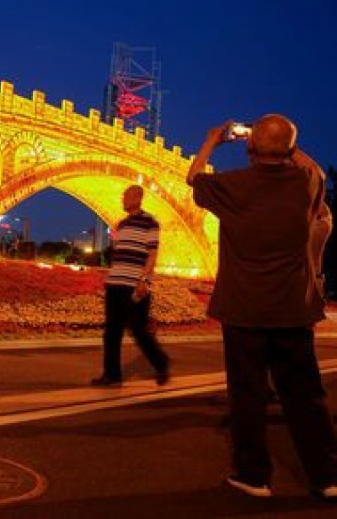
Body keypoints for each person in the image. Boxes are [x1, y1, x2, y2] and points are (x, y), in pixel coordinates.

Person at [187, 114, 337, 500]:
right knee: (306, 395)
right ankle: (326, 475)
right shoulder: (306, 184)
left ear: (250, 149)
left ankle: (254, 476)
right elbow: (315, 167)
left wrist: (212, 141)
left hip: (244, 310)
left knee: (248, 394)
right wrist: (276, 140)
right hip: (293, 309)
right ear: (290, 150)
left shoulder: (232, 186)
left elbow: (193, 178)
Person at [90, 184, 170, 387]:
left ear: (138, 197)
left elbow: (152, 254)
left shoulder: (150, 223)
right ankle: (112, 374)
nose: (123, 199)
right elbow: (120, 254)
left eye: (126, 196)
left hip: (135, 286)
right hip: (115, 284)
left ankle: (161, 363)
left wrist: (144, 281)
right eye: (122, 196)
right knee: (112, 332)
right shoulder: (121, 225)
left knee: (138, 330)